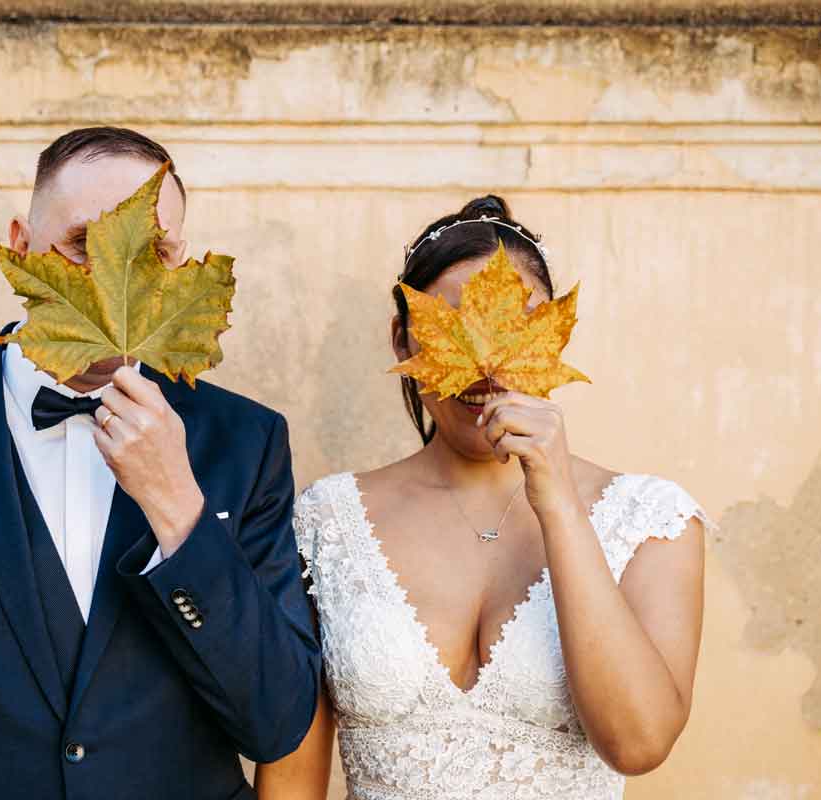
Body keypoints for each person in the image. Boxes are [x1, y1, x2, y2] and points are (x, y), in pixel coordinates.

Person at [0, 127, 320, 800]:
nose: (114, 279)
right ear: (21, 247)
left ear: (181, 262)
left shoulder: (245, 442)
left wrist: (179, 511)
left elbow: (276, 722)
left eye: (152, 252)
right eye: (82, 244)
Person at [255, 196, 709, 800]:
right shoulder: (325, 520)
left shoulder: (654, 520)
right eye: (453, 331)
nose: (485, 369)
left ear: (553, 339)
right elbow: (292, 771)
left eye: (517, 328)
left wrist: (559, 505)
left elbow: (639, 743)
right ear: (403, 341)